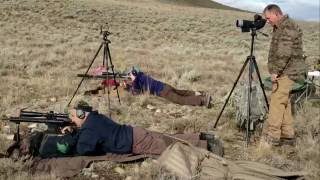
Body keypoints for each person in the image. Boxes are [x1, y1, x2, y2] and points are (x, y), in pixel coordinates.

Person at [69, 101, 223, 156]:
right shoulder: (95, 117)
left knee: (170, 147)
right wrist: (76, 130)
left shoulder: (88, 129)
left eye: (74, 117)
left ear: (82, 115)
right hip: (135, 132)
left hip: (136, 142)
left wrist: (72, 135)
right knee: (168, 137)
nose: (72, 120)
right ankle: (201, 137)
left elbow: (83, 149)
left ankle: (208, 147)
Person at [261, 4, 307, 146]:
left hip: (287, 71)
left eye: (268, 18)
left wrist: (276, 71)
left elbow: (284, 53)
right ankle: (288, 135)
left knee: (276, 102)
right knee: (284, 102)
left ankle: (273, 136)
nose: (267, 21)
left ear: (276, 14)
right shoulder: (281, 26)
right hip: (288, 70)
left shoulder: (287, 27)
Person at [123, 66, 212, 108]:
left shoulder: (138, 79)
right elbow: (137, 89)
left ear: (134, 74)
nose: (129, 77)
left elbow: (135, 91)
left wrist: (131, 83)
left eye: (130, 75)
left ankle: (202, 100)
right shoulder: (142, 77)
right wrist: (127, 86)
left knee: (181, 100)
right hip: (165, 86)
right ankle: (200, 93)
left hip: (163, 92)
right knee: (181, 92)